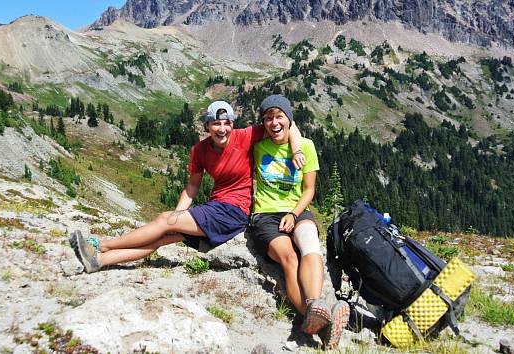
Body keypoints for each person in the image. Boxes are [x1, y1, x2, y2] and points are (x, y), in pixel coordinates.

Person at [71, 100, 305, 274]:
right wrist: (180, 212)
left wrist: (296, 151)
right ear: (207, 126)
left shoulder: (245, 136)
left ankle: (100, 244)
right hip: (217, 208)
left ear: (232, 125)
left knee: (164, 221)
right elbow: (192, 186)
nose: (222, 129)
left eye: (226, 123)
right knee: (163, 236)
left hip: (235, 211)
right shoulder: (200, 151)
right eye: (216, 123)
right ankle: (99, 261)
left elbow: (287, 124)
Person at [249, 95, 349, 349]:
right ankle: (315, 318)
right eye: (268, 118)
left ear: (289, 119)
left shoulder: (305, 146)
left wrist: (293, 214)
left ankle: (315, 306)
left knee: (310, 245)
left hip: (297, 210)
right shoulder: (258, 144)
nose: (274, 122)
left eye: (279, 116)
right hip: (265, 215)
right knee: (289, 259)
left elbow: (309, 190)